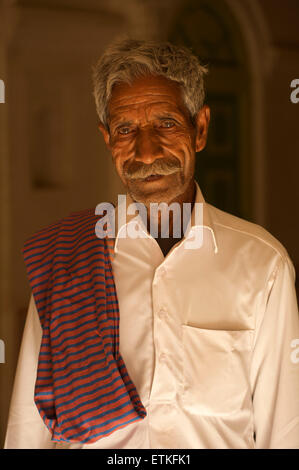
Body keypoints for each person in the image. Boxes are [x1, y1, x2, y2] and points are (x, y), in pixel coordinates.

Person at [4, 38, 299, 449]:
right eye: (126, 129)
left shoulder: (262, 264)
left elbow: (284, 433)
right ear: (107, 140)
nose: (146, 151)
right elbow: (28, 430)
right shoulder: (67, 260)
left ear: (200, 128)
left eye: (166, 123)